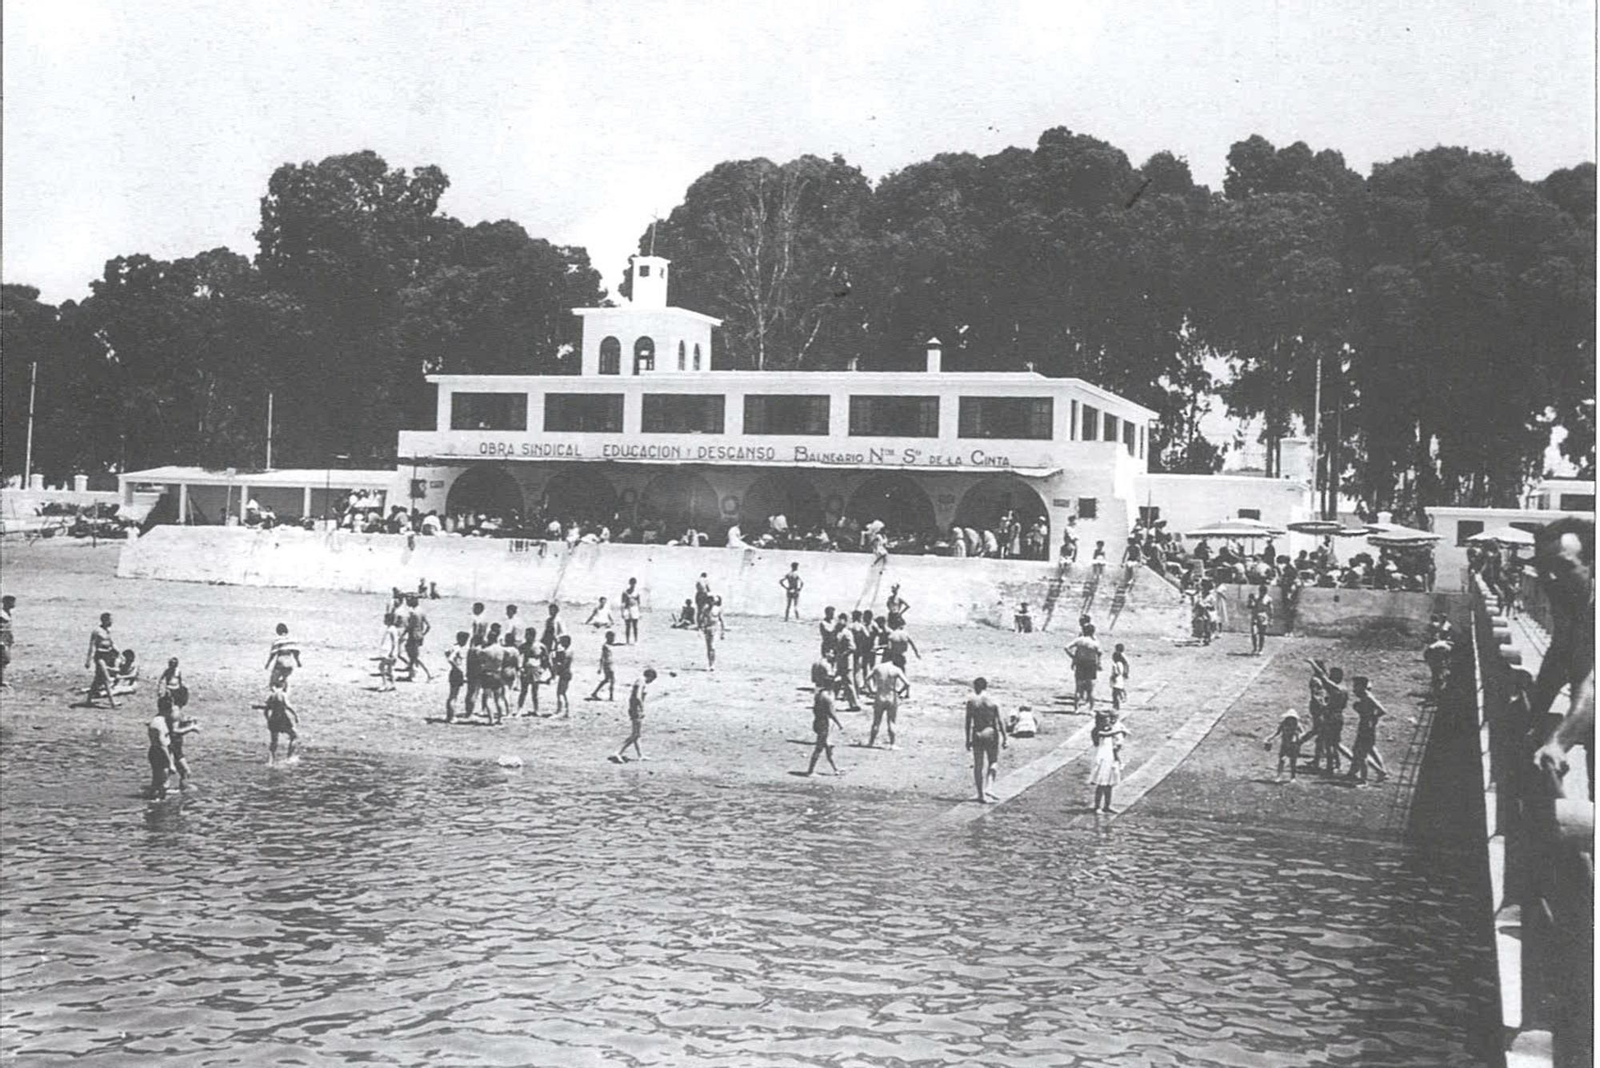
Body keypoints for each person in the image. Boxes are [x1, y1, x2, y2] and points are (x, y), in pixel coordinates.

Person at [1529, 518, 1595, 799]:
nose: (1551, 578)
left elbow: (1590, 687)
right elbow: (1559, 655)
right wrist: (1533, 714)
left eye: (1564, 566)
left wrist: (1558, 742)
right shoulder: (1569, 602)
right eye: (1544, 569)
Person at [964, 677, 1008, 803]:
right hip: (991, 733)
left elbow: (968, 722)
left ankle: (980, 794)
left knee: (978, 765)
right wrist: (1005, 738)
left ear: (974, 686)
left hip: (977, 733)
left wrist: (967, 739)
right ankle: (989, 787)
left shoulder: (971, 702)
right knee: (993, 761)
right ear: (986, 686)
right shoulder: (993, 700)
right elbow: (1000, 721)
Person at [1346, 676, 1388, 785]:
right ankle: (1354, 772)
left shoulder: (1368, 697)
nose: (1354, 689)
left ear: (1362, 686)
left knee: (1361, 754)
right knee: (1363, 750)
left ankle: (1366, 779)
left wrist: (1373, 718)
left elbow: (1383, 710)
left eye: (1356, 686)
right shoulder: (1364, 697)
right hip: (1364, 727)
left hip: (1367, 729)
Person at [1310, 660, 1347, 775]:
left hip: (1331, 717)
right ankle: (1337, 765)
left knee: (1328, 743)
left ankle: (1330, 767)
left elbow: (1322, 676)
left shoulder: (1335, 688)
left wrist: (1312, 663)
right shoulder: (1344, 688)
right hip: (1339, 716)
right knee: (1335, 743)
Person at [865, 654, 909, 748]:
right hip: (891, 696)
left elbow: (866, 679)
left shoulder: (877, 668)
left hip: (879, 695)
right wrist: (899, 692)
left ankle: (871, 742)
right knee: (891, 721)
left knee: (876, 721)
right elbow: (907, 684)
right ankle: (892, 744)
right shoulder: (896, 669)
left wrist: (871, 690)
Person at [804, 677, 845, 776]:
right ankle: (810, 771)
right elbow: (832, 713)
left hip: (818, 721)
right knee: (820, 747)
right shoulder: (828, 698)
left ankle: (835, 769)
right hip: (824, 724)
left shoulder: (819, 695)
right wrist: (839, 724)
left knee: (828, 746)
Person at [614, 668, 657, 763]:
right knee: (635, 734)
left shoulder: (639, 680)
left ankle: (640, 755)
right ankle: (618, 752)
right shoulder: (642, 681)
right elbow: (638, 697)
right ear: (650, 676)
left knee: (637, 734)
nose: (650, 682)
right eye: (651, 680)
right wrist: (642, 709)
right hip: (636, 709)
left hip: (633, 708)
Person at [1088, 712, 1128, 812]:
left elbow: (1115, 741)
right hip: (1101, 757)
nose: (1108, 722)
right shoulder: (1096, 731)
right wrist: (1119, 730)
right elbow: (1106, 735)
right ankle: (1097, 806)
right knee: (1101, 783)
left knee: (1109, 783)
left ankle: (1107, 806)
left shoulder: (1108, 729)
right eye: (1105, 721)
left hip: (1109, 757)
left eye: (1108, 720)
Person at [85, 612, 119, 708]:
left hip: (107, 656)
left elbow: (111, 643)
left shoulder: (108, 631)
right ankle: (113, 703)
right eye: (110, 620)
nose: (112, 622)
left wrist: (119, 654)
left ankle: (88, 700)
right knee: (106, 679)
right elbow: (91, 646)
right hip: (100, 657)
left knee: (98, 679)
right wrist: (88, 660)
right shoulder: (97, 631)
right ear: (105, 620)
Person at [1066, 624, 1103, 713]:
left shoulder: (1079, 640)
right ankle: (1091, 709)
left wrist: (1073, 657)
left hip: (1080, 664)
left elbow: (1066, 647)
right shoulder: (1095, 642)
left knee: (1078, 688)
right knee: (1091, 689)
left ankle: (1076, 709)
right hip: (1091, 664)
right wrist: (1099, 664)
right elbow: (1099, 654)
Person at [263, 682, 299, 763]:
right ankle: (289, 757)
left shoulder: (271, 696)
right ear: (283, 686)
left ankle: (271, 760)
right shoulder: (283, 695)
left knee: (274, 741)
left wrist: (268, 719)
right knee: (294, 736)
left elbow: (266, 711)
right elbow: (288, 706)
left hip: (273, 719)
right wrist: (295, 716)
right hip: (283, 719)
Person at [1263, 709, 1302, 782]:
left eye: (1292, 718)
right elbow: (1277, 732)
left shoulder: (1297, 724)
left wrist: (1298, 736)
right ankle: (1279, 776)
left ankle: (1293, 777)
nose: (1290, 719)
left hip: (1294, 744)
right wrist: (1269, 738)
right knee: (1281, 760)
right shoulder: (1283, 723)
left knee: (1293, 761)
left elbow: (1302, 732)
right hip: (1285, 743)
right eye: (1289, 718)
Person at [147, 701, 175, 799]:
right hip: (160, 753)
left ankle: (153, 798)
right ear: (168, 710)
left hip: (155, 751)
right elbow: (162, 745)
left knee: (156, 780)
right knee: (164, 781)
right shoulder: (160, 724)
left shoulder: (157, 720)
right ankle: (159, 803)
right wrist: (170, 763)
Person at [402, 595, 433, 682]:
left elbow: (409, 627)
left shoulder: (414, 613)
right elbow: (428, 626)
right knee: (413, 656)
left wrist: (403, 635)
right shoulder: (421, 611)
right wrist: (422, 634)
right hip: (418, 636)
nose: (407, 603)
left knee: (414, 656)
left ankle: (427, 674)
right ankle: (412, 674)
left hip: (413, 636)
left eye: (408, 601)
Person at [517, 633, 549, 716]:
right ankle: (519, 709)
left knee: (535, 691)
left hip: (536, 669)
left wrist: (543, 669)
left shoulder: (540, 646)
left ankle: (536, 709)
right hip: (526, 669)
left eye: (529, 636)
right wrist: (520, 667)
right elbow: (517, 656)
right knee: (523, 690)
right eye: (526, 636)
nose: (527, 638)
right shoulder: (523, 646)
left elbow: (546, 658)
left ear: (533, 636)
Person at [265, 623, 302, 693]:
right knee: (286, 680)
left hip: (280, 661)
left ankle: (275, 698)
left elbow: (273, 654)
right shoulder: (292, 640)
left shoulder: (277, 640)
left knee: (272, 682)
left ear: (277, 631)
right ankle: (284, 698)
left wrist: (268, 664)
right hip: (289, 662)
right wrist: (298, 662)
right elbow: (295, 652)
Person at [444, 631, 469, 722]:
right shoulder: (458, 649)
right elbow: (450, 659)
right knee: (454, 695)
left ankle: (449, 715)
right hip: (457, 673)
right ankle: (452, 717)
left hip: (453, 672)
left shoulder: (453, 646)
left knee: (452, 695)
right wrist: (458, 668)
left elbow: (446, 653)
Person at [589, 630, 617, 701]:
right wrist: (600, 668)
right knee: (612, 680)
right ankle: (611, 697)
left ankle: (595, 692)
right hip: (608, 665)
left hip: (610, 664)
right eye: (613, 637)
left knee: (607, 680)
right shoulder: (606, 646)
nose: (614, 639)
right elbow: (602, 657)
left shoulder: (608, 646)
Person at [376, 614, 401, 692]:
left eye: (385, 619)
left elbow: (394, 642)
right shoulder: (392, 629)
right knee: (390, 669)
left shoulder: (391, 629)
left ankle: (385, 684)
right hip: (391, 652)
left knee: (381, 667)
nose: (384, 621)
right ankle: (392, 684)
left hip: (389, 652)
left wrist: (391, 652)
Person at [552, 635, 575, 717]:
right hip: (567, 673)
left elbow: (562, 664)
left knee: (560, 693)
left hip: (564, 673)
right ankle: (567, 711)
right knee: (564, 692)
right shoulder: (570, 651)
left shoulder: (566, 652)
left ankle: (559, 711)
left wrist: (555, 662)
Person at [1247, 583, 1272, 655]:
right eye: (1261, 591)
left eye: (1263, 592)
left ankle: (1260, 649)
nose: (1262, 593)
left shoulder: (1268, 599)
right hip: (1255, 616)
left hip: (1263, 616)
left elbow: (1270, 610)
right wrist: (1250, 600)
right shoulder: (1256, 597)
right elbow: (1249, 606)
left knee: (1262, 634)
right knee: (1254, 633)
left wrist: (1271, 619)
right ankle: (1255, 648)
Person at [621, 578, 642, 645]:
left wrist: (639, 612)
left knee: (635, 626)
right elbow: (623, 603)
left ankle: (636, 641)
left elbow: (638, 603)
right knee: (628, 626)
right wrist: (622, 612)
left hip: (634, 609)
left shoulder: (637, 592)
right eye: (631, 583)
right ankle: (627, 641)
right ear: (629, 583)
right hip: (627, 609)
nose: (633, 584)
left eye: (634, 583)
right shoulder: (625, 592)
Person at [1110, 644, 1130, 711]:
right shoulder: (1115, 655)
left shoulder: (1122, 656)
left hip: (1121, 671)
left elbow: (1127, 664)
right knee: (1120, 686)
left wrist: (1126, 672)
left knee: (1119, 686)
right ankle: (1122, 696)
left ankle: (1123, 696)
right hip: (1119, 670)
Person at [0, 594, 14, 689]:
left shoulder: (7, 613)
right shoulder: (2, 614)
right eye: (11, 602)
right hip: (1, 639)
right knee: (3, 659)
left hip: (6, 639)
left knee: (4, 660)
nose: (13, 604)